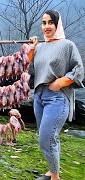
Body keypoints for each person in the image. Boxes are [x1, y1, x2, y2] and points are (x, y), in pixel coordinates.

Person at [29, 10, 84, 180]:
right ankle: (53, 172)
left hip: (57, 98)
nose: (46, 26)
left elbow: (79, 69)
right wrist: (31, 51)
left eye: (50, 22)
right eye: (44, 23)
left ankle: (55, 177)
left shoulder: (67, 45)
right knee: (49, 137)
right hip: (38, 97)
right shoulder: (41, 47)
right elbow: (32, 71)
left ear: (57, 24)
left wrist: (61, 82)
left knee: (45, 139)